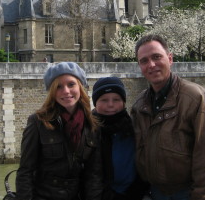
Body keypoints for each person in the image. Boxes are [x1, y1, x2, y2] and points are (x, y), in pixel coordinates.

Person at [131, 34, 205, 200]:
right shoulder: (140, 105)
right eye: (144, 61)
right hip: (157, 193)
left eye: (156, 57)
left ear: (170, 58)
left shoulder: (196, 98)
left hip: (190, 192)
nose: (151, 65)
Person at [15, 62, 102, 200]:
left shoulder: (92, 123)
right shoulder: (38, 122)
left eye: (71, 84)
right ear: (52, 92)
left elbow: (93, 175)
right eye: (59, 87)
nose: (66, 91)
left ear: (80, 87)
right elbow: (25, 171)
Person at [92, 76, 149, 200]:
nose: (110, 105)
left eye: (116, 99)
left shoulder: (135, 128)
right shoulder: (87, 131)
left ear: (124, 103)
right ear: (95, 103)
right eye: (104, 100)